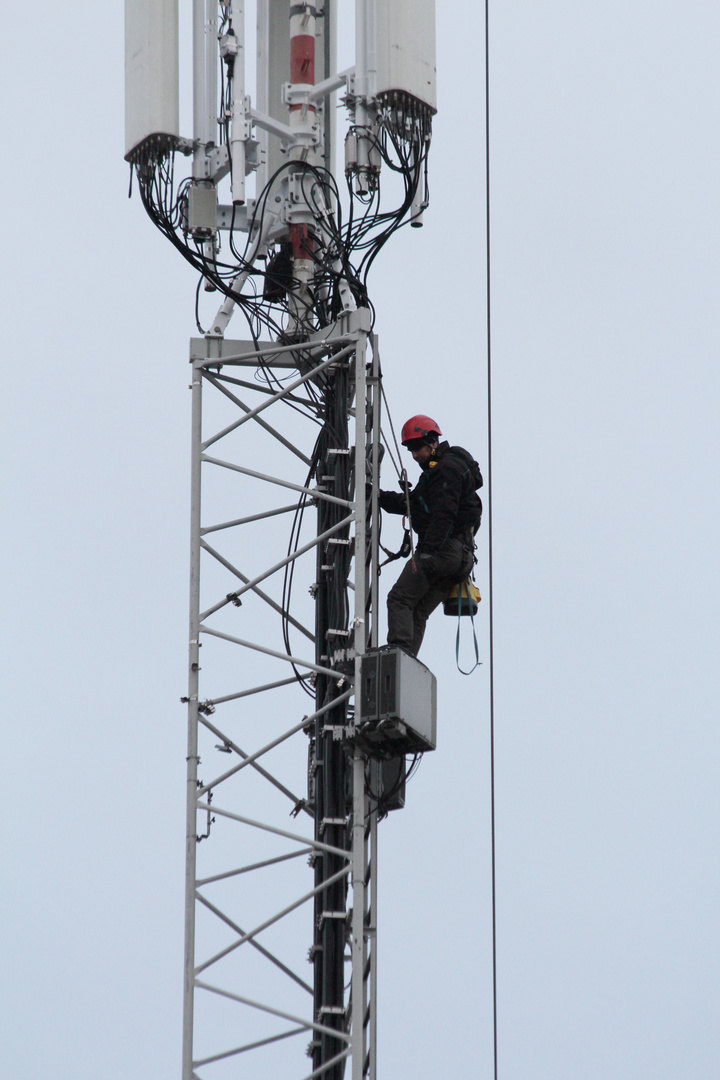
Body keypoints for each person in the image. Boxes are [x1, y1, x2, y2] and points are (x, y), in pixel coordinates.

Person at [376, 415, 483, 657]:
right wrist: (378, 496)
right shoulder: (442, 471)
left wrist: (427, 552)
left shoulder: (445, 469)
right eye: (411, 449)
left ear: (433, 442)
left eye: (417, 448)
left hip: (443, 552)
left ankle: (399, 654)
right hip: (459, 559)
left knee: (400, 598)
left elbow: (444, 513)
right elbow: (413, 503)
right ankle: (406, 662)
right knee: (418, 610)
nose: (414, 455)